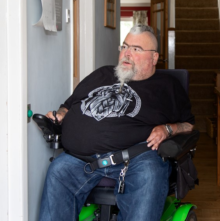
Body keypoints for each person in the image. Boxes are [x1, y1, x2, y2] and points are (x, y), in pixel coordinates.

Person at [39, 24, 195, 221]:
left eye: (136, 49)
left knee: (150, 176)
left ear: (154, 57)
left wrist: (168, 129)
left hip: (137, 159)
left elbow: (188, 125)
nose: (127, 53)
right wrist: (60, 115)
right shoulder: (101, 74)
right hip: (81, 159)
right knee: (58, 170)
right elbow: (68, 105)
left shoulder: (167, 86)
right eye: (125, 46)